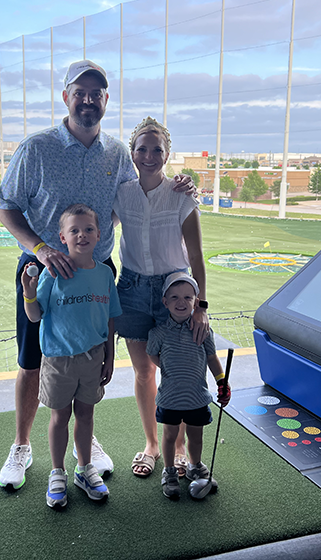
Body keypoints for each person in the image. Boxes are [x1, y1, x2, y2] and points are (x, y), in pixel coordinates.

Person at [0, 61, 194, 489]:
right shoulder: (36, 148)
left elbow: (137, 195)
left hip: (98, 270)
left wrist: (182, 187)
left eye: (96, 94)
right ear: (66, 97)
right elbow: (6, 207)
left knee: (90, 359)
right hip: (44, 269)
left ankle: (84, 446)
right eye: (79, 92)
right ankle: (21, 446)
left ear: (105, 101)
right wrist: (43, 249)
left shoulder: (117, 152)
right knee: (33, 362)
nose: (88, 100)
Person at [112, 116, 209, 479]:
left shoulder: (182, 194)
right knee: (143, 372)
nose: (148, 155)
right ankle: (152, 444)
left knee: (176, 372)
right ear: (132, 153)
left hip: (176, 293)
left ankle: (179, 447)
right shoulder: (121, 193)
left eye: (156, 149)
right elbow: (99, 227)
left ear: (167, 154)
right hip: (134, 291)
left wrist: (200, 307)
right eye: (141, 148)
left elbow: (197, 257)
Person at [21, 204, 120, 508]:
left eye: (88, 228)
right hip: (58, 360)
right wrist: (29, 292)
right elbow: (36, 316)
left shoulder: (104, 274)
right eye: (74, 230)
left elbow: (110, 318)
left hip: (93, 358)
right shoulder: (53, 274)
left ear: (99, 234)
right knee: (60, 416)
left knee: (86, 415)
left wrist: (110, 356)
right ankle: (57, 472)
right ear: (62, 237)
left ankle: (85, 468)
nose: (82, 235)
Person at [146, 272, 230, 499]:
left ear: (196, 301)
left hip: (197, 396)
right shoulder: (158, 333)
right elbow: (153, 354)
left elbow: (212, 358)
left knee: (196, 435)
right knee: (170, 435)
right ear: (165, 302)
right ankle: (169, 470)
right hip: (170, 397)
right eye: (174, 297)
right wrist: (168, 367)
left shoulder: (203, 331)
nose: (181, 302)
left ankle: (194, 465)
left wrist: (221, 381)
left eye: (187, 297)